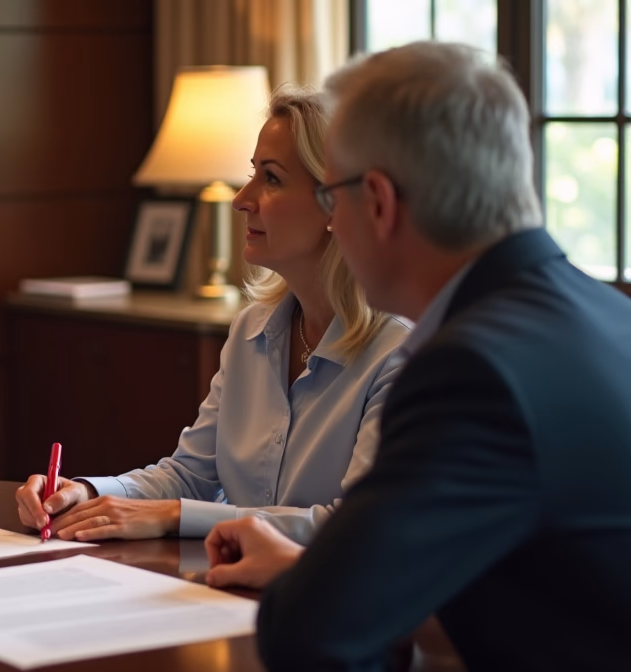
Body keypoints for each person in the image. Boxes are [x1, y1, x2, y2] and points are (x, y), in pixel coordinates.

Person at [204, 41, 631, 670]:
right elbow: (545, 577)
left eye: (334, 196)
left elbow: (310, 632)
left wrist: (312, 586)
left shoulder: (471, 371)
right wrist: (311, 566)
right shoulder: (609, 317)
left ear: (377, 202)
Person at [15, 85, 410, 545]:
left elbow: (357, 527)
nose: (242, 198)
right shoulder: (250, 330)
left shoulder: (399, 353)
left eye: (273, 178)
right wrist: (86, 493)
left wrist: (179, 516)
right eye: (252, 174)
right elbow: (188, 476)